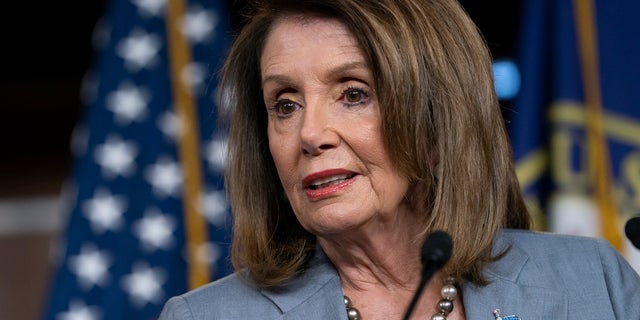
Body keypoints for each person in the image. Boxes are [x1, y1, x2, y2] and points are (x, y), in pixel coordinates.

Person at [159, 0, 640, 319]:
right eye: (285, 104)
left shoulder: (592, 283)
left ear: (437, 122)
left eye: (353, 94)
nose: (309, 135)